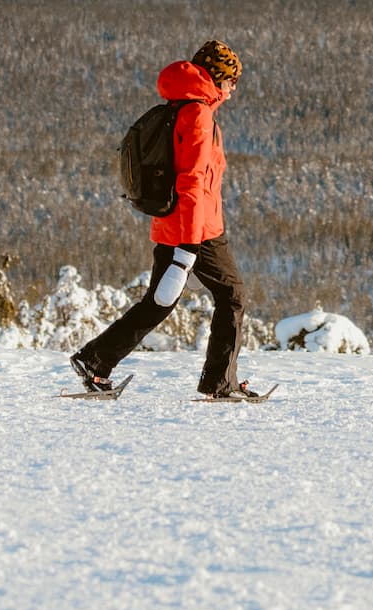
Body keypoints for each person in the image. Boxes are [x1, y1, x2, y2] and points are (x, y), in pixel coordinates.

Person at [71, 39, 263, 400]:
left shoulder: (182, 106)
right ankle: (220, 382)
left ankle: (95, 360)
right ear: (216, 77)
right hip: (196, 229)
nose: (234, 87)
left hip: (175, 223)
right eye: (231, 79)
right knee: (231, 295)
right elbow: (191, 180)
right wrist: (190, 243)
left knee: (159, 301)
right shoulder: (198, 115)